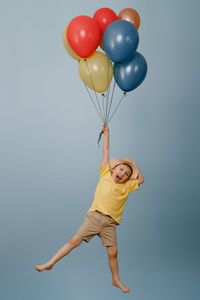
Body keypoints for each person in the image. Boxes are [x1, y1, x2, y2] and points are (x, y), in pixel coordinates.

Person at [34, 124, 144, 293]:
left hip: (110, 223)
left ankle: (116, 279)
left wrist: (133, 164)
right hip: (94, 217)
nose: (122, 174)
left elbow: (141, 180)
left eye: (126, 174)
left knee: (113, 253)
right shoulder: (105, 173)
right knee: (73, 241)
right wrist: (107, 134)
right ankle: (50, 263)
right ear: (113, 168)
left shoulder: (127, 187)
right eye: (121, 169)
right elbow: (106, 151)